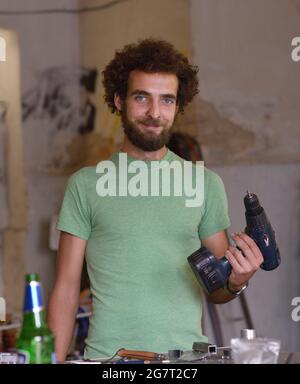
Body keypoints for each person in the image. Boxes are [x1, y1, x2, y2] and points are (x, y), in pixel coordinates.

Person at [47, 39, 263, 361]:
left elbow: (216, 289)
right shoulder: (85, 185)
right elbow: (65, 293)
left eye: (166, 100)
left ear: (177, 106)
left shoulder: (204, 184)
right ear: (119, 100)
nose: (154, 112)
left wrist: (237, 281)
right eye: (141, 97)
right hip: (108, 361)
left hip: (184, 363)